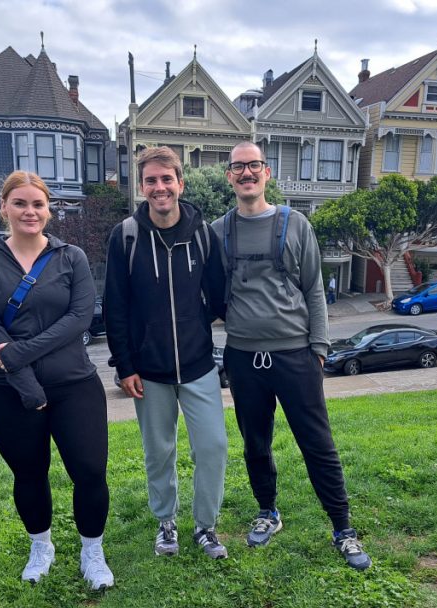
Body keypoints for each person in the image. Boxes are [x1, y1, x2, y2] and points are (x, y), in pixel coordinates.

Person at [214, 142, 371, 570]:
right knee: (255, 444)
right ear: (229, 176)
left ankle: (343, 529)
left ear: (267, 173)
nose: (247, 173)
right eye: (238, 167)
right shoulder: (218, 231)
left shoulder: (295, 223)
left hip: (296, 355)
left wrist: (318, 349)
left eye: (254, 166)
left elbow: (315, 289)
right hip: (243, 358)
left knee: (318, 444)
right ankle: (268, 512)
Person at [0, 171, 112, 590]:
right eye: (20, 203)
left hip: (74, 384)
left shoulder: (71, 257)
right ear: (4, 208)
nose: (29, 211)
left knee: (90, 471)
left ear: (49, 210)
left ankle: (92, 552)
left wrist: (19, 354)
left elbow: (78, 318)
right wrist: (25, 381)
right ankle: (41, 547)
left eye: (37, 204)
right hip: (8, 391)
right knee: (29, 473)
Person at [105, 147, 228, 559]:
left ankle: (206, 527)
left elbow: (217, 296)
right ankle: (166, 523)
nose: (160, 187)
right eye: (151, 181)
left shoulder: (203, 234)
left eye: (167, 179)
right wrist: (126, 364)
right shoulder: (125, 236)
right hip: (149, 371)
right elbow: (116, 307)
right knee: (159, 452)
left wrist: (195, 325)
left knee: (212, 447)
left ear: (180, 183)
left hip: (199, 365)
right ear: (142, 187)